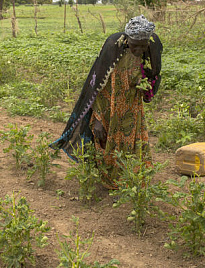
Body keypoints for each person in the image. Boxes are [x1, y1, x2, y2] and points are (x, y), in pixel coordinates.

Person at [50, 15, 163, 189]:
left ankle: (131, 179)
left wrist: (144, 87)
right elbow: (98, 89)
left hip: (132, 107)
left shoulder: (152, 48)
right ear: (127, 39)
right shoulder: (113, 48)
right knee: (106, 143)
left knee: (133, 142)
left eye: (143, 45)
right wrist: (98, 120)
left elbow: (153, 75)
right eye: (135, 45)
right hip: (108, 108)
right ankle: (112, 181)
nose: (139, 50)